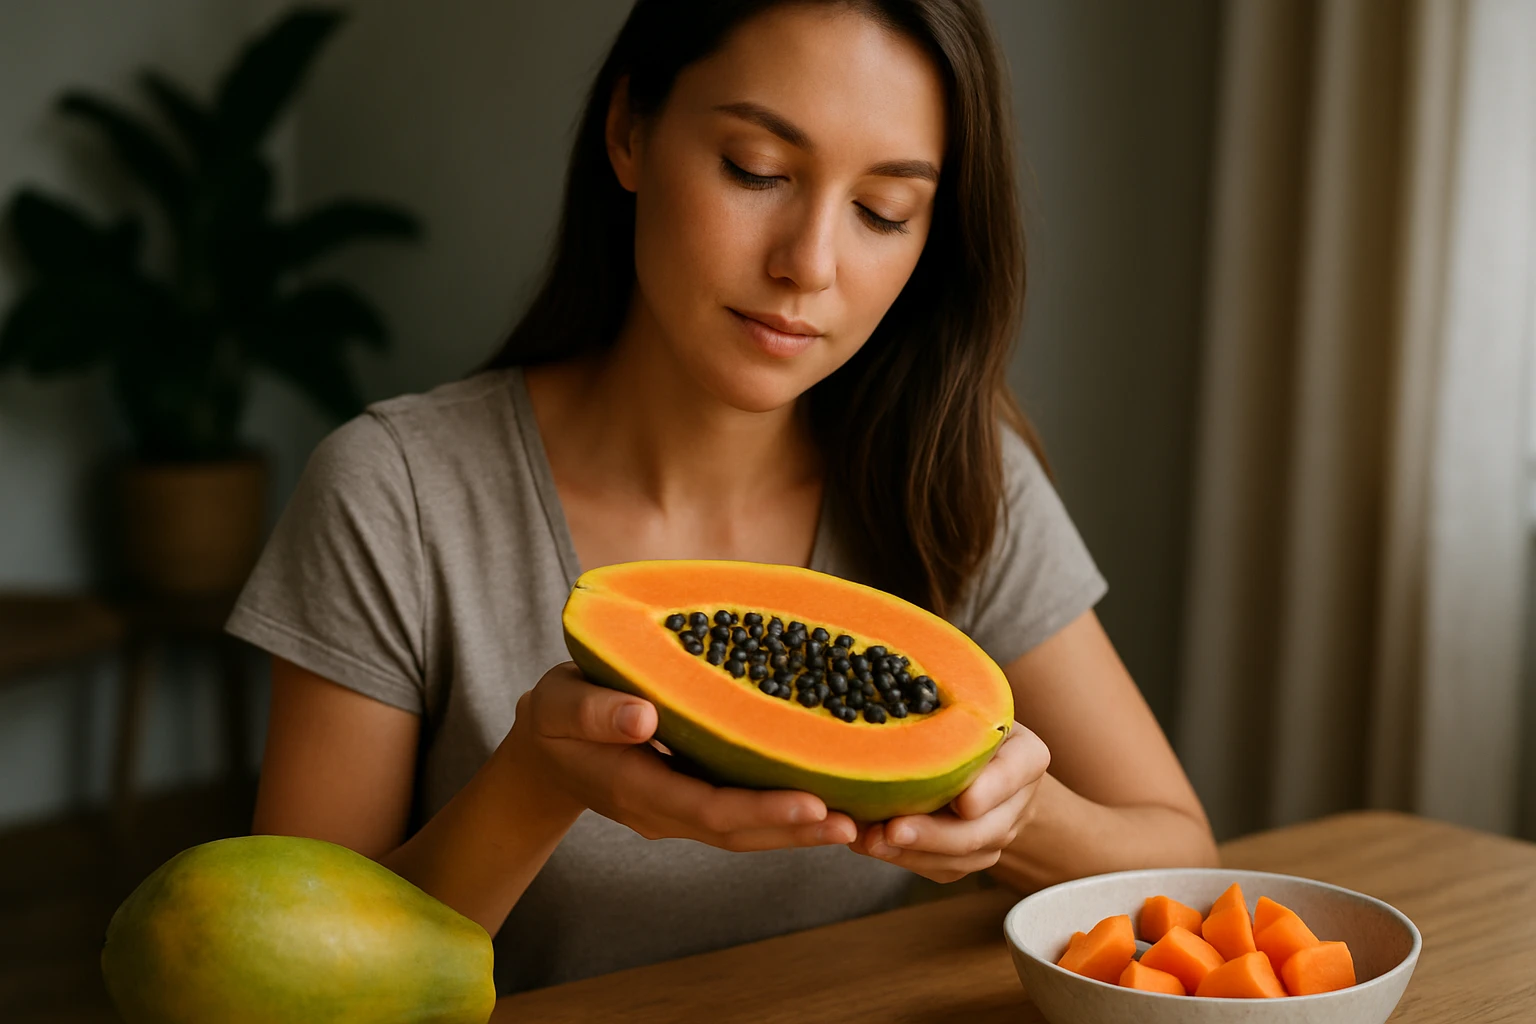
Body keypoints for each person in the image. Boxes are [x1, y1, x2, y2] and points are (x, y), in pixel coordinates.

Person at [226, 0, 1218, 1001]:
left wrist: (1017, 819)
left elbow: (1184, 862)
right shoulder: (393, 493)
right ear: (629, 131)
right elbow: (291, 984)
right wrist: (537, 782)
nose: (809, 264)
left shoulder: (953, 478)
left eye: (883, 211)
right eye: (756, 169)